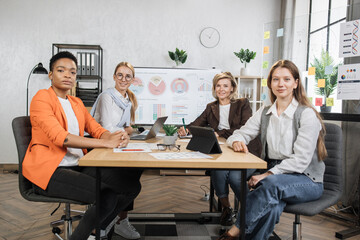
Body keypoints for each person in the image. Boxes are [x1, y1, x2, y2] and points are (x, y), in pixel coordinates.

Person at [22, 51, 141, 240]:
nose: (68, 75)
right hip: (50, 172)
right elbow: (61, 137)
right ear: (51, 74)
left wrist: (117, 137)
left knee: (131, 186)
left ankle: (101, 228)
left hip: (77, 166)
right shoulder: (42, 98)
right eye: (61, 70)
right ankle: (86, 235)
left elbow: (96, 129)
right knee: (107, 196)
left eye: (72, 71)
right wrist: (105, 142)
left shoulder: (76, 102)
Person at [218, 60, 327, 240]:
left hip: (307, 179)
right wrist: (237, 141)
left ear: (296, 83)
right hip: (277, 177)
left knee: (269, 185)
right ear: (270, 83)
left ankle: (232, 233)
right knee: (272, 205)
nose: (280, 84)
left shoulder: (306, 114)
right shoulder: (265, 111)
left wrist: (268, 174)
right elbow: (239, 134)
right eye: (275, 79)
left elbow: (300, 160)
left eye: (286, 79)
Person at [178, 72, 261, 226]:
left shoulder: (242, 103)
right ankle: (226, 208)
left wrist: (219, 133)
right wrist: (186, 129)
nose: (221, 89)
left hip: (245, 149)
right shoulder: (211, 107)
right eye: (218, 85)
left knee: (236, 177)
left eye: (225, 86)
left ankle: (249, 211)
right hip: (224, 149)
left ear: (232, 89)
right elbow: (197, 123)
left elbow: (244, 127)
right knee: (218, 170)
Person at [91, 62, 142, 239]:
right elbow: (107, 127)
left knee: (136, 170)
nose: (123, 79)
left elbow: (128, 127)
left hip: (117, 144)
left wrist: (127, 132)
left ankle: (120, 219)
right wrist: (125, 132)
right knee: (127, 178)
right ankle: (105, 222)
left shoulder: (128, 99)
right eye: (120, 75)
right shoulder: (107, 97)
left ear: (132, 80)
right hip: (101, 145)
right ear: (114, 77)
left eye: (128, 76)